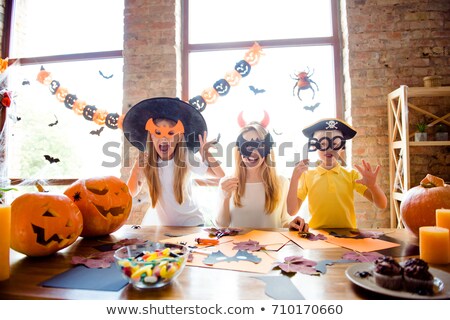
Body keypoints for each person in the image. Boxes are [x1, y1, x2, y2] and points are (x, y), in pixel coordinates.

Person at [123, 97, 224, 226]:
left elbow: (220, 176)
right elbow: (130, 192)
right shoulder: (148, 161)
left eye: (170, 133)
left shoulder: (186, 158)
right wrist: (135, 171)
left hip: (192, 225)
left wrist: (206, 153)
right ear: (150, 136)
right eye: (158, 132)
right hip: (166, 229)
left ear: (178, 137)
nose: (164, 138)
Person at [287, 118, 387, 231]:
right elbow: (292, 211)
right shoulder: (308, 176)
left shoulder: (351, 175)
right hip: (317, 237)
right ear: (314, 146)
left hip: (347, 236)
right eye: (323, 144)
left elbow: (382, 204)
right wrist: (294, 179)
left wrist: (373, 186)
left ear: (342, 148)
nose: (329, 149)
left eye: (334, 144)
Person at [215, 121, 294, 228]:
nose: (253, 153)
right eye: (247, 146)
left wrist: (295, 225)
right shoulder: (227, 183)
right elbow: (222, 225)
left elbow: (284, 222)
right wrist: (225, 198)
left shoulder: (281, 182)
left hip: (272, 244)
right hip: (236, 244)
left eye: (259, 146)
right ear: (239, 150)